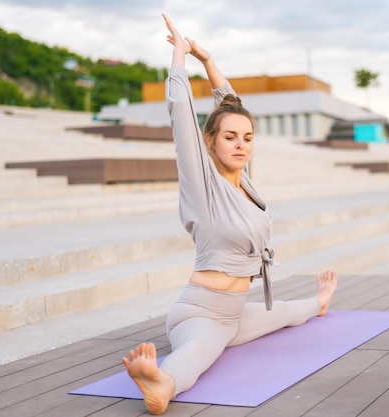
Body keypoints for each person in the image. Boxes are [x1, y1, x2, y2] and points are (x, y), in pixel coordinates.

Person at [122, 13, 338, 415]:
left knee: (290, 312)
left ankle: (320, 302)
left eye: (248, 138)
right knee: (200, 353)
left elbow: (231, 106)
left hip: (236, 313)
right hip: (200, 312)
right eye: (230, 137)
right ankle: (160, 384)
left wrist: (210, 62)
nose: (241, 145)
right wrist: (181, 57)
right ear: (208, 142)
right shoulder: (202, 182)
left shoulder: (247, 184)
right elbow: (180, 112)